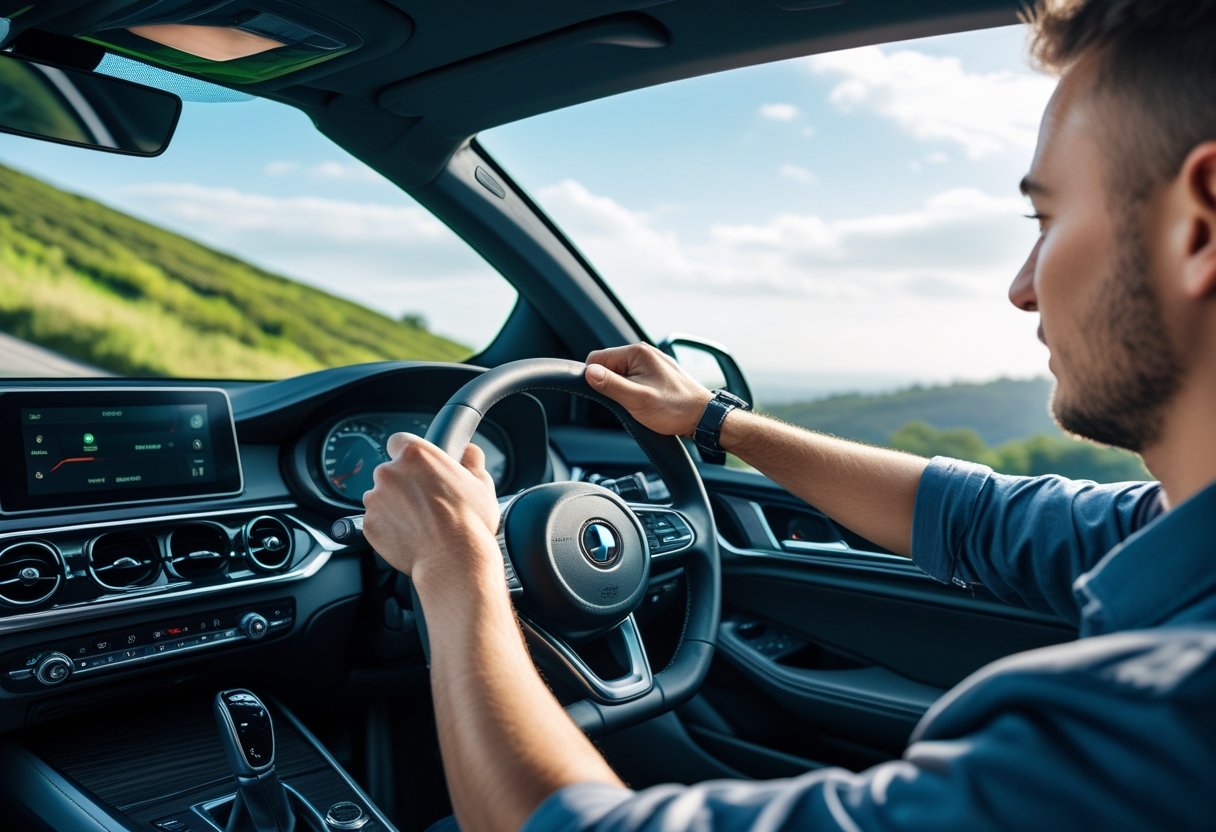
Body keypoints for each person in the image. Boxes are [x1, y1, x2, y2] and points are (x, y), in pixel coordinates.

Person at [361, 0, 1216, 829]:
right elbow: (979, 517)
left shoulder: (1163, 726)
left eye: (1048, 218)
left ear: (1200, 226)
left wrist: (455, 566)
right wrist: (711, 419)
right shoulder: (1182, 546)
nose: (1021, 285)